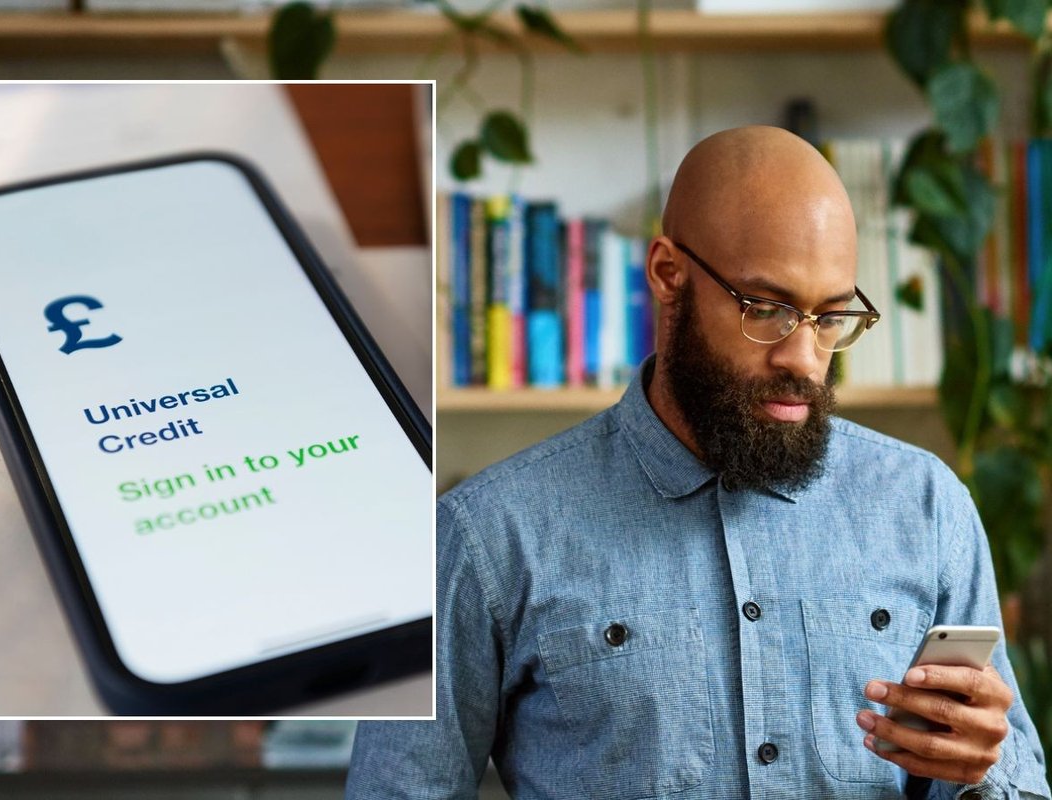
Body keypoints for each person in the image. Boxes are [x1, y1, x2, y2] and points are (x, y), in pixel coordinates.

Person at [347, 126, 1052, 799]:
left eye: (832, 317)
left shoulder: (928, 507)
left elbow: (1008, 772)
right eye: (767, 309)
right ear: (667, 275)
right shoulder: (485, 537)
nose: (803, 360)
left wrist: (983, 773)